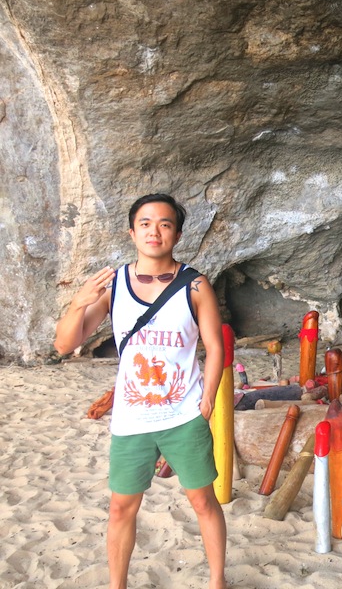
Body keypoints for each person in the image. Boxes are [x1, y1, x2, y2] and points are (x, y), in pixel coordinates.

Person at [54, 194, 227, 589]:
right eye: (146, 223)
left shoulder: (195, 285)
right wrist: (79, 302)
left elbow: (215, 346)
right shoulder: (114, 285)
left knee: (202, 500)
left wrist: (207, 400)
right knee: (120, 508)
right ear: (132, 232)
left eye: (165, 224)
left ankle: (218, 581)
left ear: (177, 234)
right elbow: (64, 345)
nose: (155, 230)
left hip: (183, 415)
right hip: (132, 420)